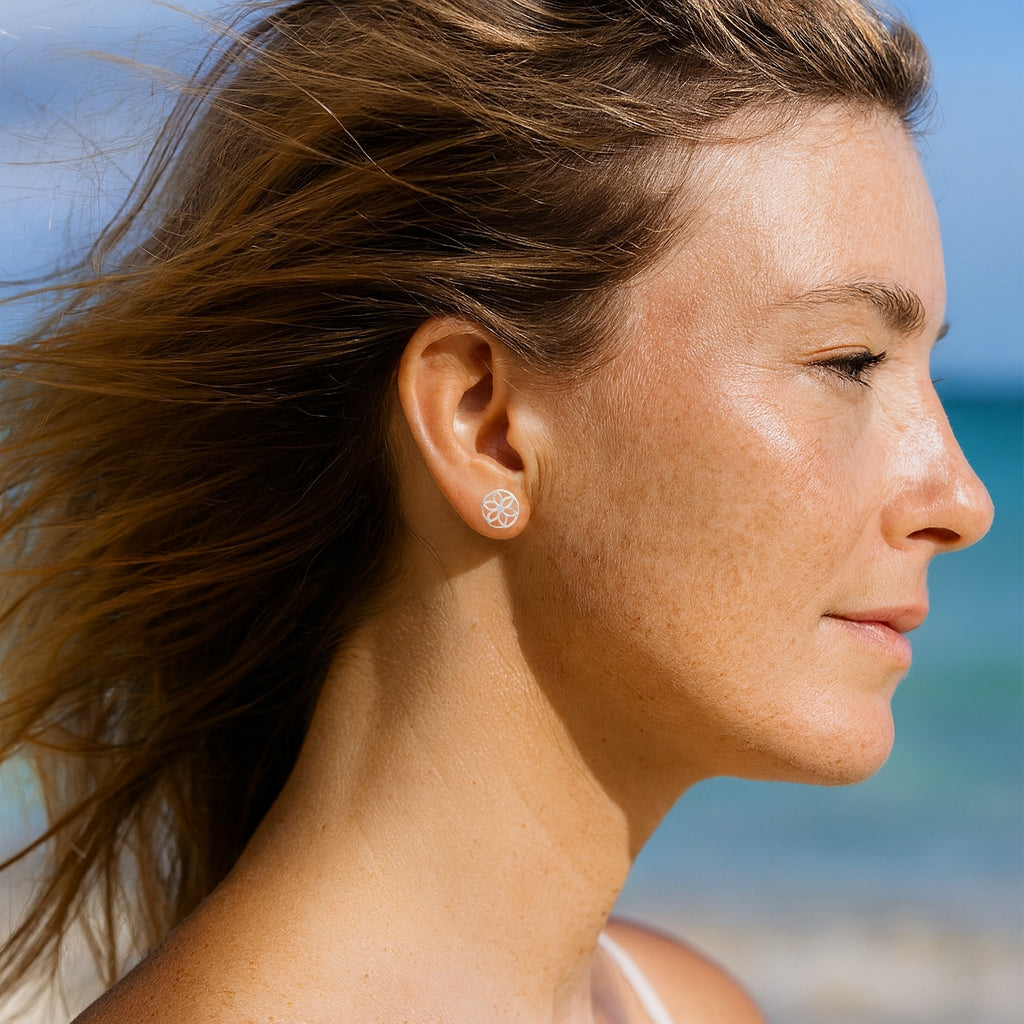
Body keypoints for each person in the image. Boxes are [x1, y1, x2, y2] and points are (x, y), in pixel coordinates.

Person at [0, 1, 994, 1021]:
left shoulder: (679, 1005)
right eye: (849, 362)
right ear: (484, 425)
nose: (963, 500)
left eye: (922, 369)